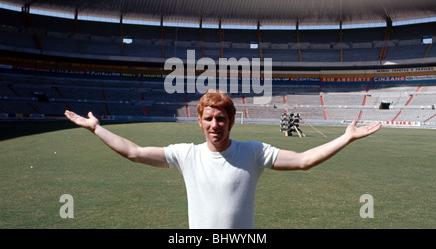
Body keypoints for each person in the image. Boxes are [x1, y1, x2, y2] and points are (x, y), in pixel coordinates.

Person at [64, 90, 381, 229]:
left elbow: (303, 160)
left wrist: (346, 137)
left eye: (221, 118)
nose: (215, 124)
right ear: (199, 121)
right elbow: (134, 153)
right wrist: (97, 129)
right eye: (209, 118)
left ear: (231, 121)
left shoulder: (254, 152)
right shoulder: (186, 154)